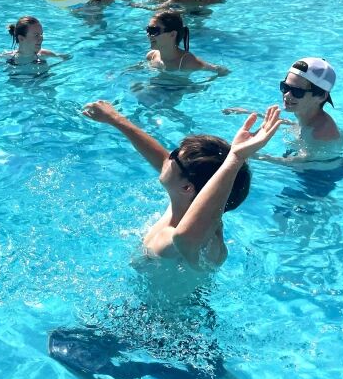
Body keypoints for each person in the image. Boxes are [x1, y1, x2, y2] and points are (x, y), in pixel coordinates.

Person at [80, 101, 281, 291]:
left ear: (186, 188)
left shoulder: (204, 244)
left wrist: (235, 158)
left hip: (160, 317)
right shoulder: (182, 201)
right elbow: (165, 163)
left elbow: (185, 237)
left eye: (174, 155)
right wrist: (115, 119)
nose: (167, 156)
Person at [225, 58, 341, 160]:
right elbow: (298, 126)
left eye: (297, 91)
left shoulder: (321, 133)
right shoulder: (305, 114)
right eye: (285, 87)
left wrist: (251, 155)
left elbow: (306, 162)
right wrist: (252, 113)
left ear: (321, 96)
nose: (287, 95)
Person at [144, 11, 228, 75]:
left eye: (153, 31)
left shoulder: (187, 62)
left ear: (172, 34)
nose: (148, 35)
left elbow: (222, 71)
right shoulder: (151, 56)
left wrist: (202, 85)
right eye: (148, 30)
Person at [0, 16, 68, 65]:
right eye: (36, 35)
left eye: (41, 34)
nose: (41, 38)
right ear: (21, 38)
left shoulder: (45, 55)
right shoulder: (8, 58)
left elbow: (67, 58)